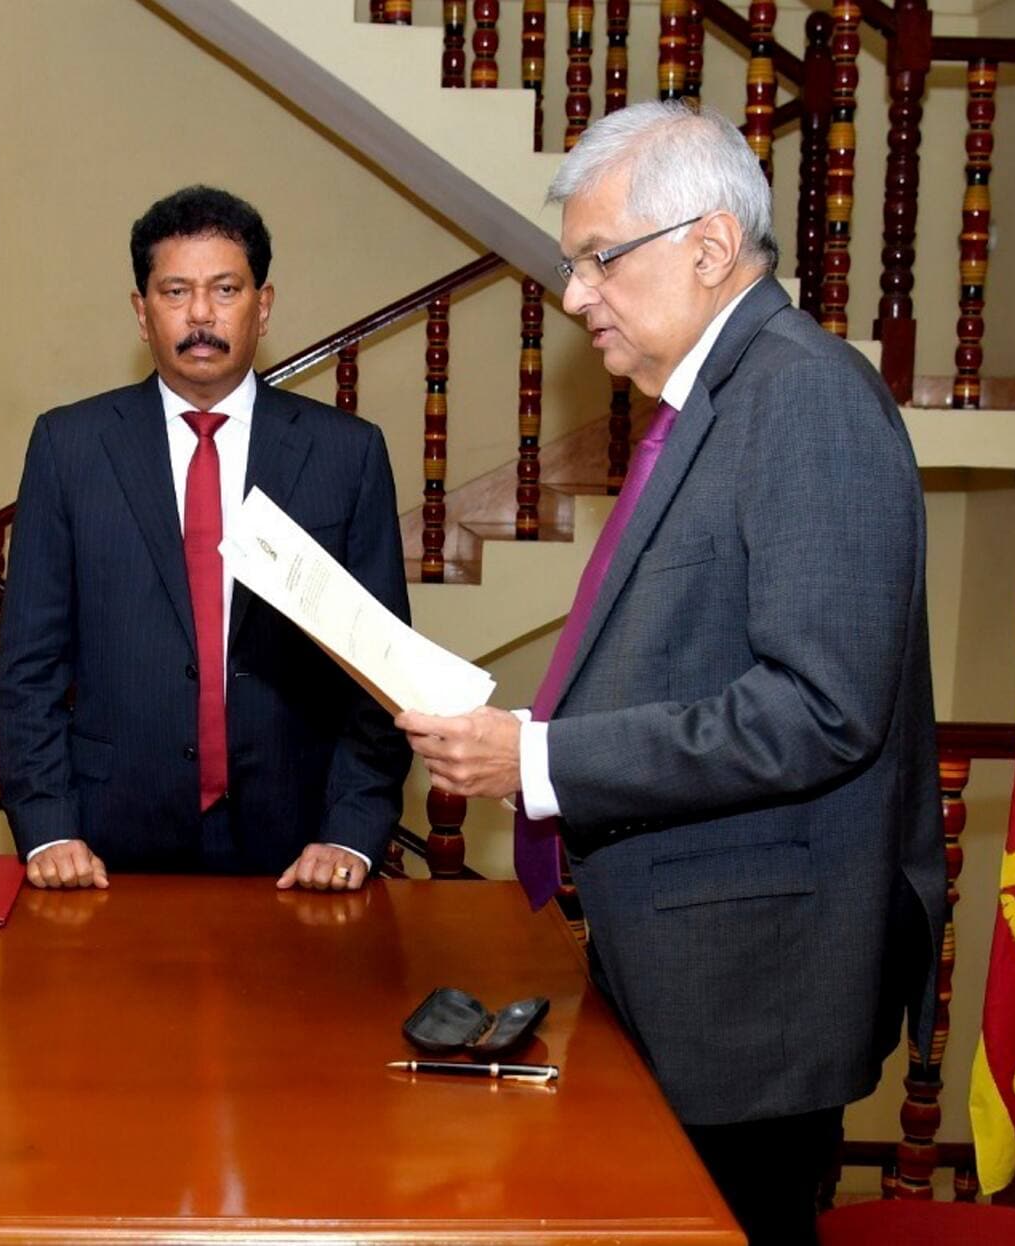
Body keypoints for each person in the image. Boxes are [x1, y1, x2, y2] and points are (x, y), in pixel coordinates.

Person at [397, 103, 945, 1244]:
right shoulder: (719, 402)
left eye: (596, 258)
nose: (572, 294)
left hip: (753, 990)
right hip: (687, 961)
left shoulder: (803, 398)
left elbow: (820, 710)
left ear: (705, 248)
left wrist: (539, 758)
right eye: (569, 264)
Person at [0, 185, 411, 892]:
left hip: (300, 845)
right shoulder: (69, 448)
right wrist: (49, 827)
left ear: (264, 305)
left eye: (225, 289)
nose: (200, 315)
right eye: (175, 291)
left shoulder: (347, 455)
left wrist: (350, 830)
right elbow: (29, 668)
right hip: (105, 845)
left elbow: (379, 673)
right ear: (140, 310)